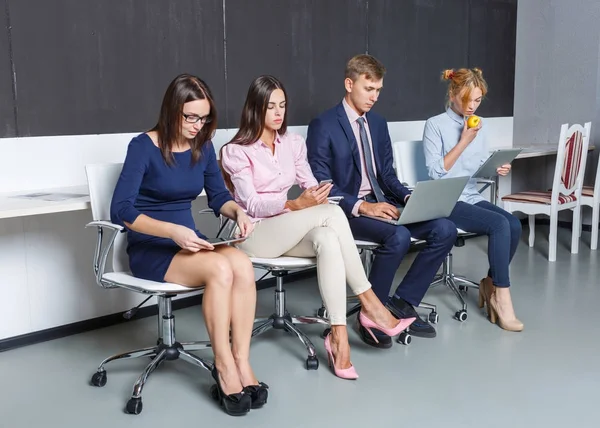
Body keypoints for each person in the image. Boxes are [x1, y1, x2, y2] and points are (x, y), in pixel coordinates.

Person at [220, 75, 414, 380]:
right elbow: (252, 205)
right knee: (331, 214)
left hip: (288, 229)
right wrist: (295, 205)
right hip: (256, 233)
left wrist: (315, 194)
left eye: (282, 106)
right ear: (255, 109)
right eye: (270, 106)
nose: (278, 113)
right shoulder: (236, 150)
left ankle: (338, 337)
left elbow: (313, 185)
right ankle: (372, 306)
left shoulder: (293, 144)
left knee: (326, 234)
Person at [110, 74, 266, 416]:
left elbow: (219, 196)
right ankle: (223, 367)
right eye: (190, 117)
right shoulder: (143, 146)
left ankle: (242, 361)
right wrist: (171, 231)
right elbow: (121, 209)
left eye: (204, 117)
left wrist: (236, 210)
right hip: (153, 248)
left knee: (241, 263)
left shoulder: (203, 146)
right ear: (171, 111)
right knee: (222, 268)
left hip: (190, 245)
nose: (198, 125)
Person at [306, 54, 456, 344]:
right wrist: (363, 206)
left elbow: (386, 174)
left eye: (378, 90)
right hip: (347, 213)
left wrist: (409, 197)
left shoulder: (377, 123)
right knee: (398, 237)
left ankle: (402, 303)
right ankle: (372, 313)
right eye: (368, 89)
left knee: (444, 228)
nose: (374, 97)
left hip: (383, 203)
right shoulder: (323, 124)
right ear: (349, 84)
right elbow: (322, 183)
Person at [422, 68, 523, 332]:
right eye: (468, 99)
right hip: (444, 199)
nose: (472, 106)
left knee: (513, 224)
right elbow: (435, 172)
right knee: (499, 225)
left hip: (469, 195)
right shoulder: (435, 125)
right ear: (453, 93)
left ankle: (490, 283)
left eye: (478, 100)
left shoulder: (480, 124)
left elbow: (478, 166)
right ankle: (502, 298)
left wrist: (496, 167)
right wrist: (464, 141)